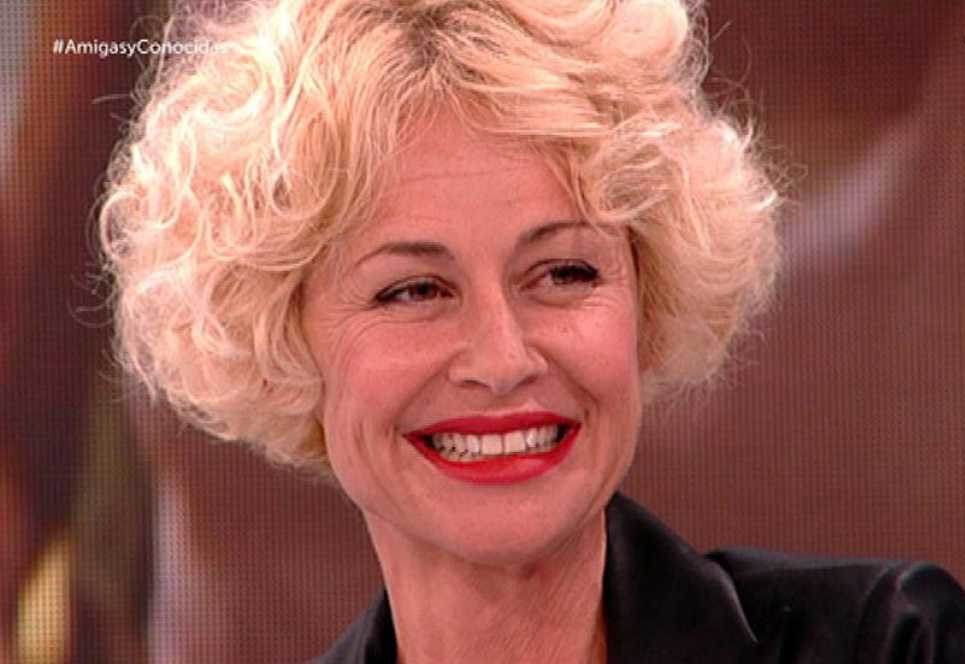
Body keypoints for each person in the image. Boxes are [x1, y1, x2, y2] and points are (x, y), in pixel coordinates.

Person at [98, 0, 965, 662]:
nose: (502, 359)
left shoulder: (893, 644)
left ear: (648, 294)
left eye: (563, 273)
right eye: (414, 290)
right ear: (284, 340)